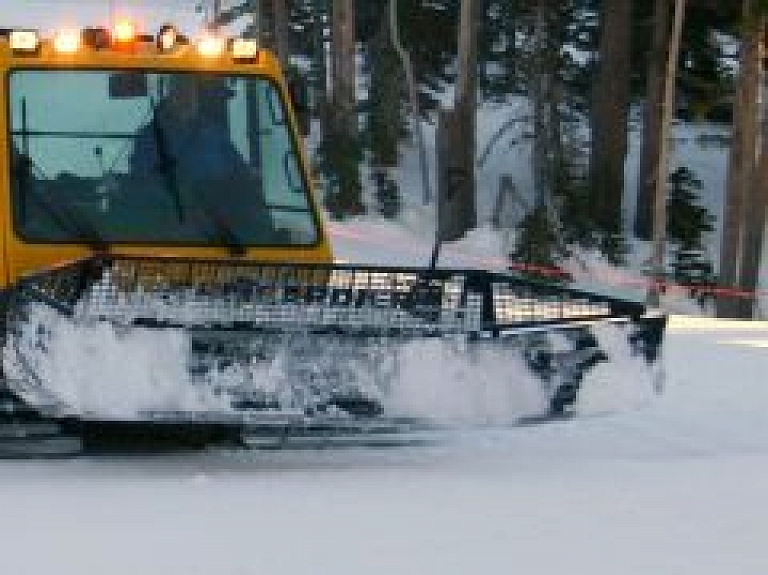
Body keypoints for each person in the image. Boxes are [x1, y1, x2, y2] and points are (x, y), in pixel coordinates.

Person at [129, 74, 273, 244]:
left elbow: (238, 169)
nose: (185, 97)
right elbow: (142, 182)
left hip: (220, 227)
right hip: (171, 228)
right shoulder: (150, 138)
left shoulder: (212, 134)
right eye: (179, 91)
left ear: (197, 96)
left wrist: (250, 177)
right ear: (169, 95)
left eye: (189, 92)